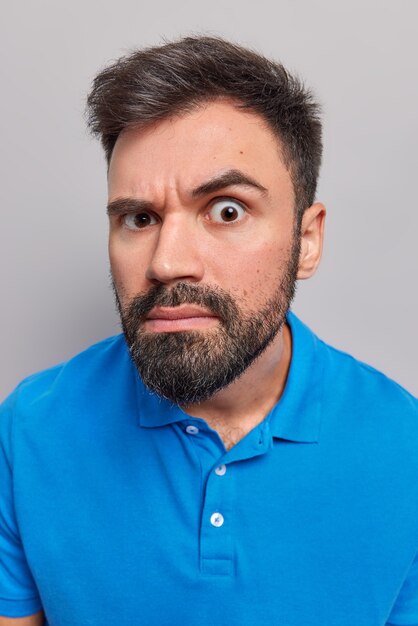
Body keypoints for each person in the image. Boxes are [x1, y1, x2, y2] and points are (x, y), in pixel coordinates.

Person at [0, 36, 417, 626]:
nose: (167, 262)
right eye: (138, 218)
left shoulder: (406, 447)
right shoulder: (27, 430)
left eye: (227, 210)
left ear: (308, 240)